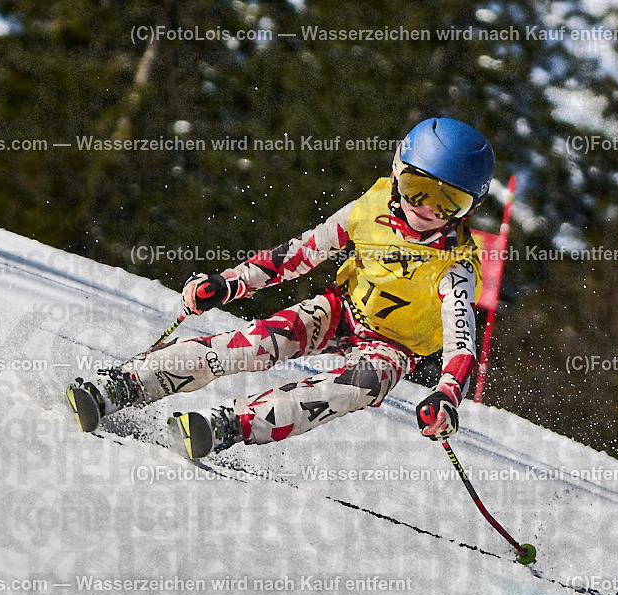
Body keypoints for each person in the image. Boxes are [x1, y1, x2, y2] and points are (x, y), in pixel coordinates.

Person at [66, 117, 493, 458]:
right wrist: (230, 283)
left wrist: (446, 395)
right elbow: (300, 253)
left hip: (395, 347)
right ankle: (126, 383)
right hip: (341, 309)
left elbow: (461, 343)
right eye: (419, 190)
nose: (427, 211)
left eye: (449, 202)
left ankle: (230, 424)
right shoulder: (370, 208)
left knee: (356, 388)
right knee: (256, 344)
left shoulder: (456, 264)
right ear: (398, 173)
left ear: (469, 208)